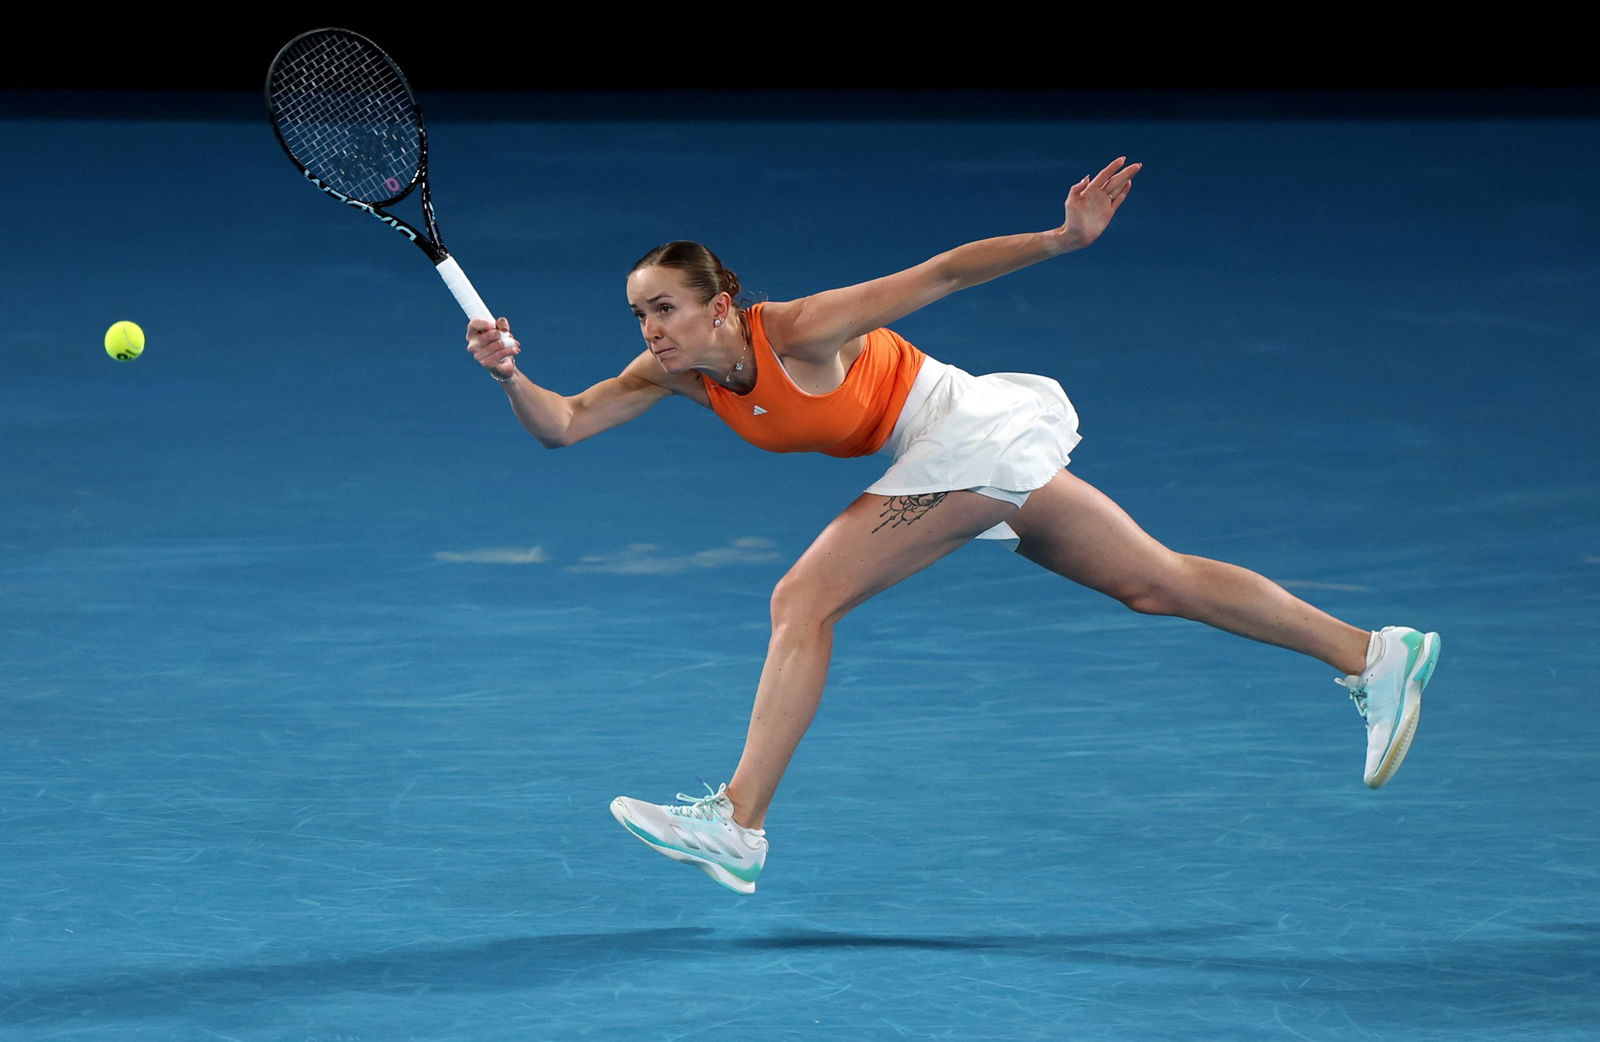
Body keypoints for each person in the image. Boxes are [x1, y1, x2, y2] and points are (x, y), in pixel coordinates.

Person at [465, 157, 1440, 895]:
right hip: (939, 452)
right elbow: (561, 424)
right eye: (640, 315)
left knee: (803, 596)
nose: (651, 331)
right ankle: (1370, 653)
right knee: (1154, 580)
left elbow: (937, 273)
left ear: (722, 304)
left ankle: (739, 820)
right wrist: (510, 372)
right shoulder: (671, 376)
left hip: (966, 429)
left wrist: (1058, 241)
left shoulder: (797, 328)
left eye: (667, 308)